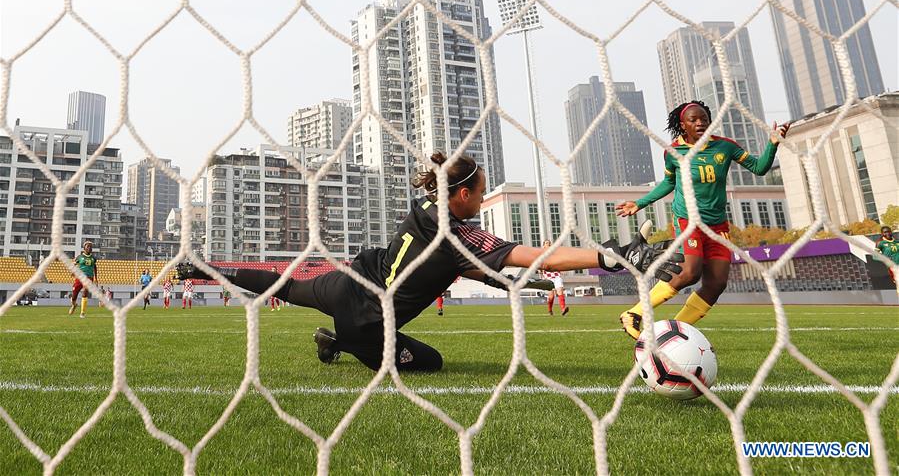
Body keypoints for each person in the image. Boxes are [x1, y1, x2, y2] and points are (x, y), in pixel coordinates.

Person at [177, 152, 682, 372]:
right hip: (371, 322)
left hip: (348, 280)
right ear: (460, 195)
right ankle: (341, 343)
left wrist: (509, 283)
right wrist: (614, 256)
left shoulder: (425, 210)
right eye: (480, 194)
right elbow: (539, 254)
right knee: (430, 362)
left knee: (282, 284)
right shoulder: (458, 234)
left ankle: (200, 266)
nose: (482, 202)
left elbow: (458, 265)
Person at [615, 100, 789, 339]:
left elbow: (759, 168)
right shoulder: (673, 152)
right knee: (690, 273)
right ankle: (634, 314)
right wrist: (640, 203)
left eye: (704, 119)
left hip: (717, 225)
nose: (700, 123)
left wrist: (772, 144)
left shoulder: (725, 147)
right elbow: (668, 183)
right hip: (689, 221)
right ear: (682, 125)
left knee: (717, 283)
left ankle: (673, 333)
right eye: (693, 120)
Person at [69, 241, 99, 318]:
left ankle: (82, 313)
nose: (90, 248)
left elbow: (95, 267)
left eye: (91, 247)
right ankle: (74, 305)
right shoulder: (79, 257)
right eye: (88, 246)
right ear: (84, 248)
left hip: (89, 277)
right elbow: (73, 264)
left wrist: (96, 278)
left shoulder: (93, 258)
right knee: (74, 295)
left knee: (85, 292)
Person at [540, 240, 568, 316]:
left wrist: (562, 270)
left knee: (560, 292)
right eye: (546, 243)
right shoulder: (542, 255)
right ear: (544, 246)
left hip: (556, 276)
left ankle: (563, 309)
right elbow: (539, 266)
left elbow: (558, 264)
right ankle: (550, 310)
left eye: (549, 243)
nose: (548, 244)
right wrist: (541, 274)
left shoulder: (554, 254)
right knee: (551, 296)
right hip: (548, 277)